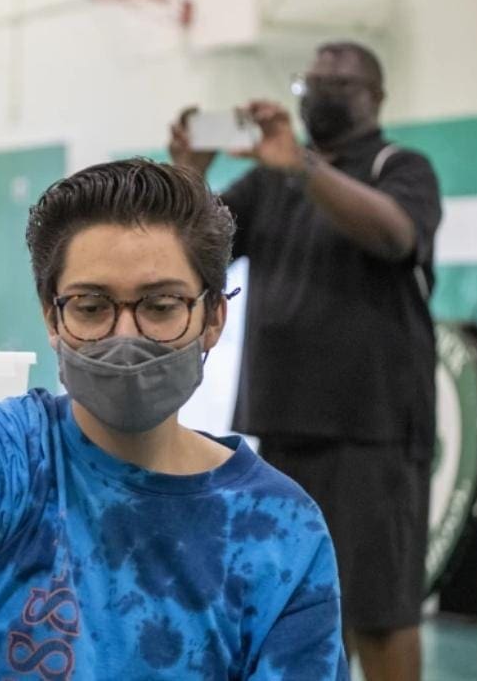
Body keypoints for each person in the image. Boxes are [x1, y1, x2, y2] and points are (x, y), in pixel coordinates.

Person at [0, 159, 350, 680]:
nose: (125, 337)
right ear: (52, 317)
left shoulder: (280, 530)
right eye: (90, 307)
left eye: (161, 306)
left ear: (214, 316)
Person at [169, 41, 441, 681]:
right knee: (300, 601)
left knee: (381, 610)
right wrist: (188, 174)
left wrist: (302, 167)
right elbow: (196, 247)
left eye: (338, 83)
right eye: (311, 81)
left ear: (375, 96)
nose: (320, 93)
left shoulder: (399, 166)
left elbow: (395, 234)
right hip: (285, 421)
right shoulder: (269, 180)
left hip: (373, 429)